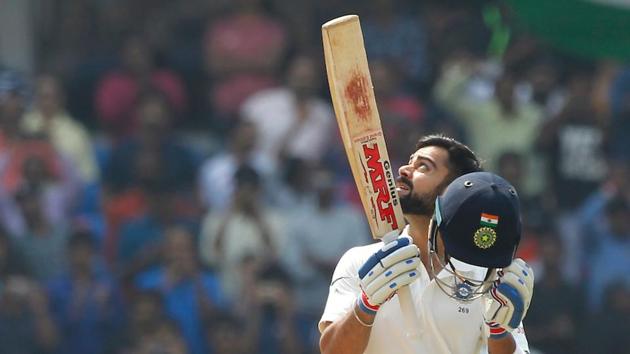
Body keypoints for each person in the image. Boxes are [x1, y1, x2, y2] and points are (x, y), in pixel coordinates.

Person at [319, 135, 534, 354]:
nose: (403, 169)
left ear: (453, 191)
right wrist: (366, 305)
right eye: (410, 162)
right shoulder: (361, 261)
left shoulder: (486, 276)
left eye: (423, 166)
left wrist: (498, 330)